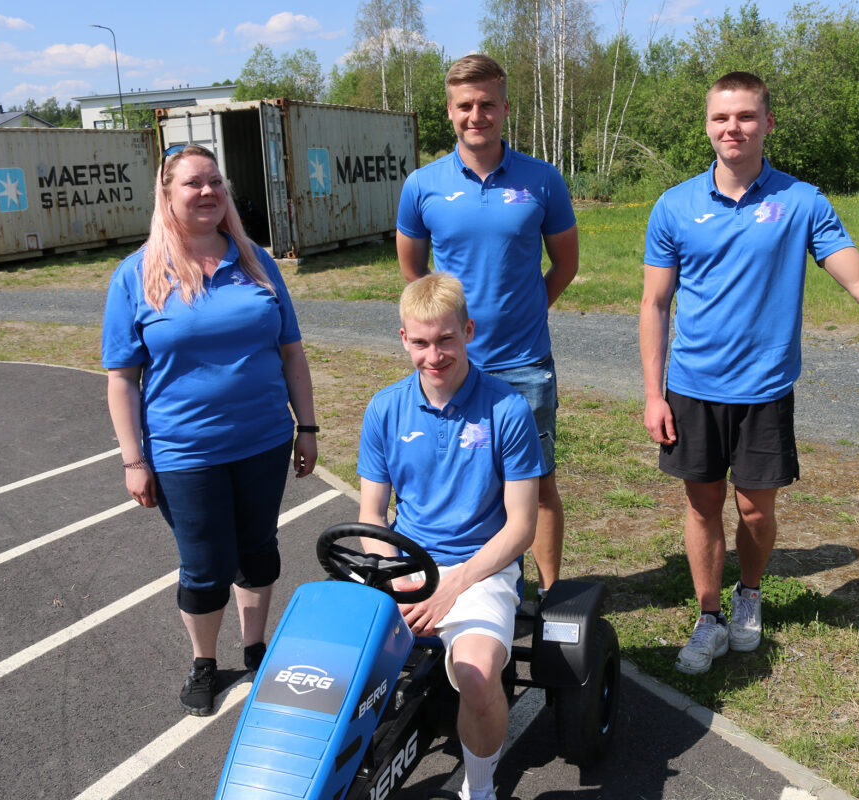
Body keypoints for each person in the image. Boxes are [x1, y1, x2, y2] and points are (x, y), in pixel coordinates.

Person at [639, 72, 859, 675]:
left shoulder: (803, 202)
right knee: (703, 505)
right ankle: (708, 615)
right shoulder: (674, 205)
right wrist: (653, 394)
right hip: (691, 389)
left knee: (756, 511)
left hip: (764, 390)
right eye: (720, 118)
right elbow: (656, 304)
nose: (731, 128)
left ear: (766, 123)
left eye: (745, 117)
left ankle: (749, 595)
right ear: (708, 124)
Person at [102, 144, 318, 716]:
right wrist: (133, 460)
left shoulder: (255, 261)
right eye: (193, 183)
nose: (208, 192)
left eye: (215, 182)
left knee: (259, 549)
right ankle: (204, 662)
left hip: (265, 440)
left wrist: (308, 426)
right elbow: (122, 380)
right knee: (204, 565)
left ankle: (254, 649)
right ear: (167, 195)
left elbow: (291, 352)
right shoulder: (137, 274)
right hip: (183, 450)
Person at [396, 53, 578, 601]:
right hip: (450, 362)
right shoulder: (422, 185)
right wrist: (447, 329)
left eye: (487, 105)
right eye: (465, 106)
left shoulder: (542, 179)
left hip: (524, 363)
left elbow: (564, 264)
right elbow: (413, 273)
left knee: (538, 484)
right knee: (454, 481)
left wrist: (528, 310)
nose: (477, 115)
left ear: (504, 108)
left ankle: (548, 597)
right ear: (450, 111)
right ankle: (470, 583)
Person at [357, 273, 543, 800]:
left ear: (468, 331)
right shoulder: (384, 409)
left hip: (481, 565)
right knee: (334, 656)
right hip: (406, 562)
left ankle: (479, 791)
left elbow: (522, 527)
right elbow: (372, 514)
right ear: (403, 340)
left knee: (480, 678)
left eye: (445, 340)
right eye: (420, 342)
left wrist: (453, 585)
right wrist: (395, 576)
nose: (433, 355)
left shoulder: (507, 409)